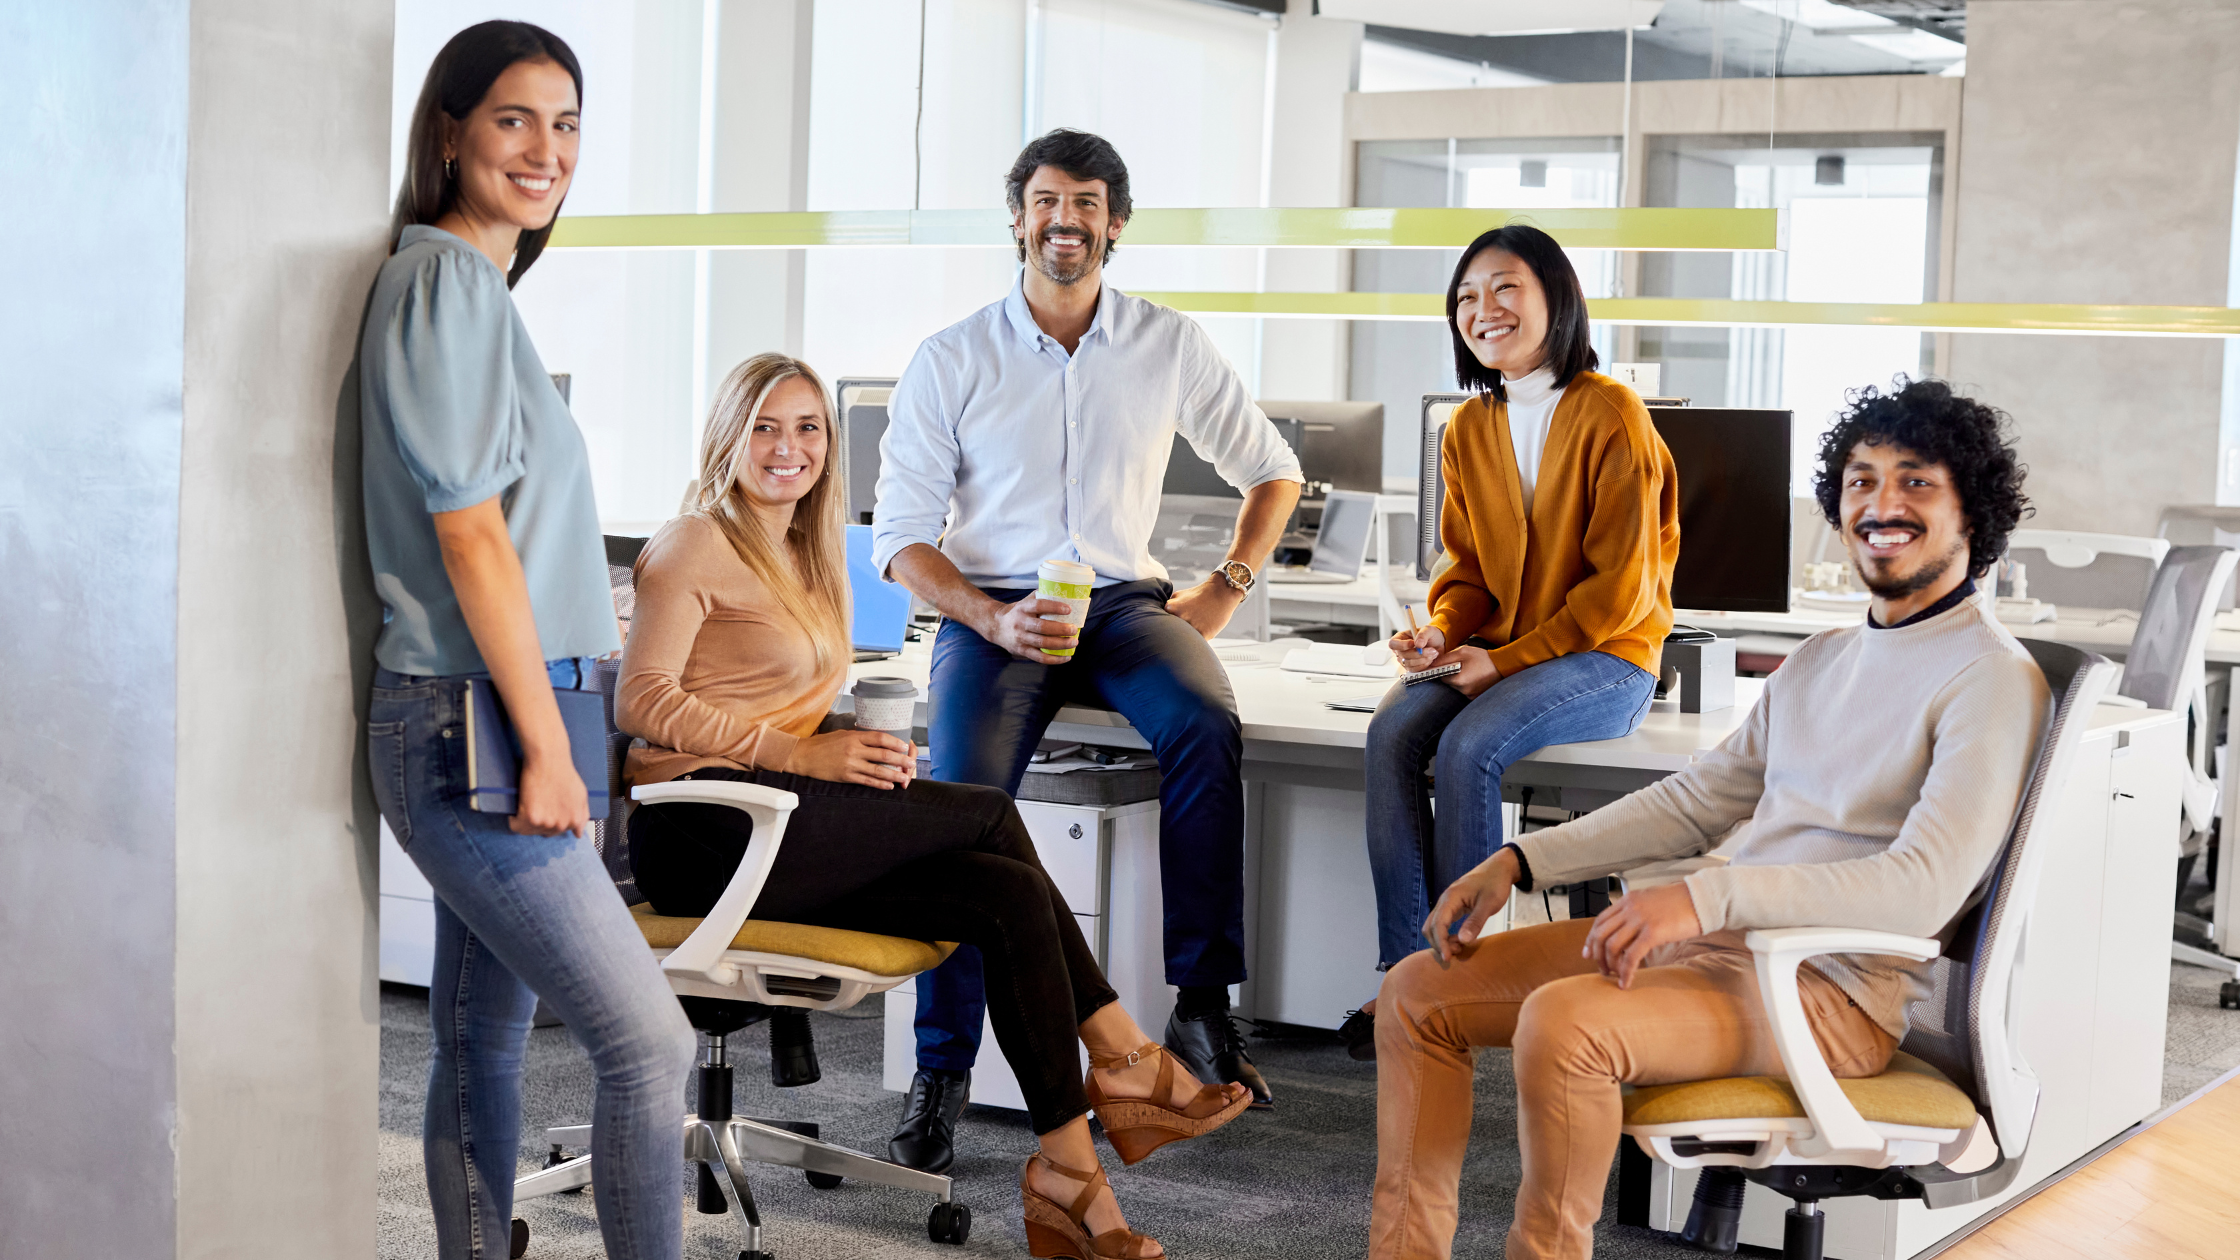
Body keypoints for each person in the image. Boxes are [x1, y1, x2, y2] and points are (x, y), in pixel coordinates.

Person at [1370, 378, 2046, 1260]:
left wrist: (1703, 902)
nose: (1882, 503)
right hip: (1721, 957)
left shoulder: (1989, 677)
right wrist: (1521, 862)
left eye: (1916, 481)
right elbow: (1698, 799)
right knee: (1419, 992)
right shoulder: (1823, 658)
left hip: (1826, 995)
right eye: (1861, 480)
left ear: (1973, 511)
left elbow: (1920, 892)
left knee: (1566, 1024)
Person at [619, 352, 1252, 1260]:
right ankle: (1124, 1057)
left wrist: (849, 747)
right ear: (727, 435)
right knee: (990, 815)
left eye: (807, 427)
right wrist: (802, 752)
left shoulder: (808, 550)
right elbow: (640, 701)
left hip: (779, 818)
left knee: (1004, 893)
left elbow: (762, 694)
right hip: (700, 830)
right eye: (764, 426)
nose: (787, 448)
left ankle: (1073, 1184)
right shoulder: (694, 542)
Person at [871, 128, 1306, 1167]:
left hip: (1118, 603)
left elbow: (1271, 470)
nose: (1064, 221)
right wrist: (987, 618)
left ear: (1115, 222)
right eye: (1046, 201)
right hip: (998, 608)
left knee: (1204, 724)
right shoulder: (952, 357)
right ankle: (942, 1064)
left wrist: (1225, 586)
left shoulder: (1167, 344)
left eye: (1086, 203)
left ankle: (1201, 1007)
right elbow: (897, 536)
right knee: (962, 809)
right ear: (1016, 216)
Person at [359, 22, 693, 1260]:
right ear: (448, 132)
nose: (545, 150)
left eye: (566, 126)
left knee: (481, 1038)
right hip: (473, 719)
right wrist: (550, 747)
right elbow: (470, 541)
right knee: (647, 1043)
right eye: (513, 119)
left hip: (522, 702)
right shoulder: (444, 279)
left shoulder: (479, 293)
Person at [1344, 224, 1679, 1059]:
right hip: (1505, 650)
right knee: (1390, 732)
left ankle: (1477, 979)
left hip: (1605, 657)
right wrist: (1443, 632)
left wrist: (1503, 659)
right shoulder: (1469, 427)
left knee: (1469, 747)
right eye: (1465, 297)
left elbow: (1619, 590)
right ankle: (1408, 975)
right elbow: (1467, 573)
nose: (1482, 310)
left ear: (1553, 298)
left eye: (1504, 289)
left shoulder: (1612, 412)